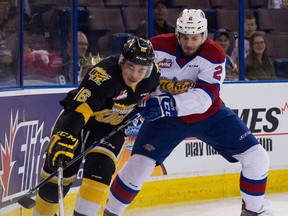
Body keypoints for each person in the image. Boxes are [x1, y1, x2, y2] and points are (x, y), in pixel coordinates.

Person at [103, 9, 274, 216]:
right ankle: (110, 213)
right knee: (139, 165)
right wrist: (136, 99)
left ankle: (253, 212)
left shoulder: (214, 54)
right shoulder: (157, 46)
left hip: (209, 115)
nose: (189, 43)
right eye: (185, 37)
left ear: (203, 35)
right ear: (178, 34)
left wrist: (166, 104)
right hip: (165, 120)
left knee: (257, 157)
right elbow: (133, 73)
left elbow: (204, 98)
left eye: (195, 38)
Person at [32, 36, 160, 216]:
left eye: (141, 70)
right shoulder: (103, 75)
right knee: (54, 187)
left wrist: (152, 105)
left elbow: (155, 95)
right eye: (130, 66)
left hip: (110, 131)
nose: (134, 75)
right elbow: (78, 109)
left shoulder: (153, 76)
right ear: (122, 62)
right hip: (77, 126)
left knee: (99, 175)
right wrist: (65, 136)